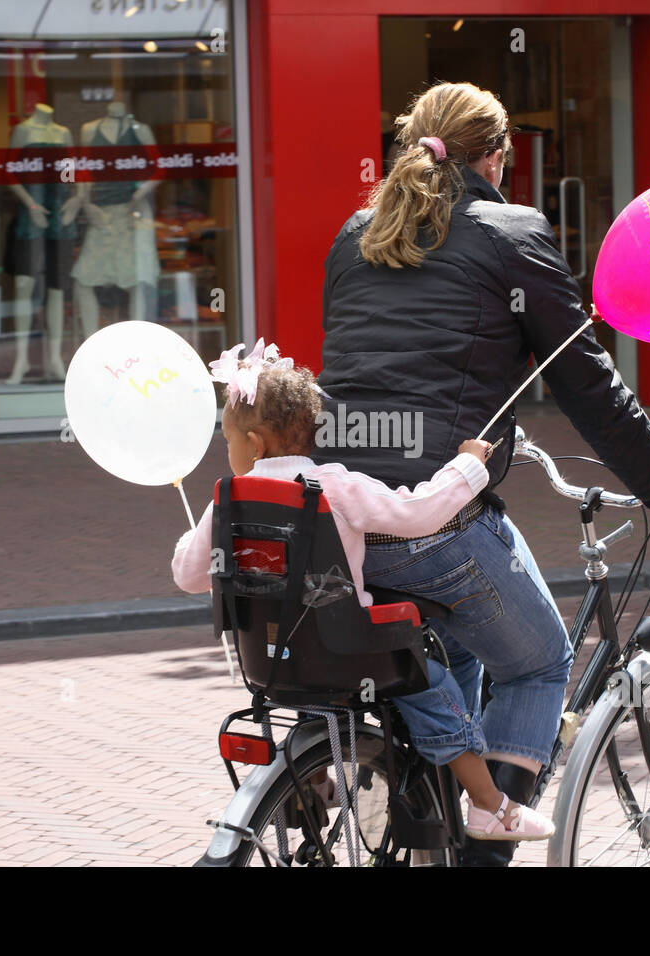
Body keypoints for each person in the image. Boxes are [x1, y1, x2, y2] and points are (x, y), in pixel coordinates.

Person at [317, 81, 650, 865]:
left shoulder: (354, 234)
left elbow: (358, 369)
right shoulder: (510, 231)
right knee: (538, 662)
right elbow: (588, 386)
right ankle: (486, 848)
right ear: (496, 156)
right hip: (435, 517)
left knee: (462, 651)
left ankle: (431, 822)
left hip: (345, 519)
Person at [172, 340, 556, 841]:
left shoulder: (228, 498)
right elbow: (417, 514)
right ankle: (489, 807)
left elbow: (188, 575)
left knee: (316, 695)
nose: (228, 452)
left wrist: (189, 537)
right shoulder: (336, 486)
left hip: (272, 657)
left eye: (228, 441)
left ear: (255, 443)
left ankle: (310, 783)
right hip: (349, 651)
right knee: (433, 688)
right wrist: (467, 467)